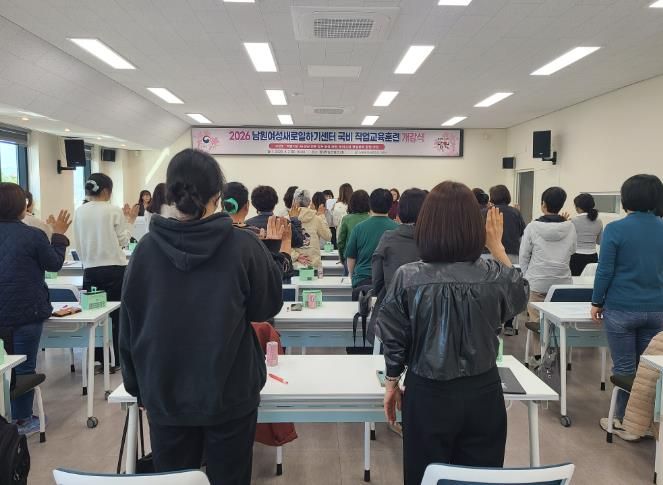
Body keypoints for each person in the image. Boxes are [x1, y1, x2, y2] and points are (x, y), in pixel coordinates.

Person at [120, 149, 283, 485]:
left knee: (174, 479)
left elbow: (130, 325)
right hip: (230, 389)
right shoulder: (243, 246)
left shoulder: (145, 250)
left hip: (165, 390)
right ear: (217, 197)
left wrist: (138, 387)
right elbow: (265, 308)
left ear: (170, 194)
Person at [377, 181, 528, 485]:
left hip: (427, 392)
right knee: (479, 479)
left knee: (424, 476)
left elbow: (394, 336)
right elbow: (520, 294)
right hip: (484, 392)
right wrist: (497, 247)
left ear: (427, 225)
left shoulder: (408, 277)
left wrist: (392, 381)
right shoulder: (494, 276)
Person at [592, 175, 663, 441]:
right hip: (657, 308)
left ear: (625, 198)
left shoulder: (616, 229)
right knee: (648, 371)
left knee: (624, 368)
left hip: (621, 308)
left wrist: (597, 301)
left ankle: (623, 420)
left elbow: (605, 270)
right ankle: (646, 424)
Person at [0, 183, 71, 435]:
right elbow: (54, 264)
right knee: (24, 367)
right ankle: (22, 420)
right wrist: (59, 236)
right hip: (27, 311)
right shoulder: (33, 235)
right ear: (22, 207)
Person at [74, 173, 138, 370]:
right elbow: (123, 241)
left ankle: (97, 357)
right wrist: (130, 220)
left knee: (94, 315)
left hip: (90, 269)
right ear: (105, 191)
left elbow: (78, 241)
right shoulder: (113, 210)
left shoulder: (79, 211)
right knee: (117, 316)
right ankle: (116, 359)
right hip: (114, 269)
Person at [369, 188, 427, 342]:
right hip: (426, 316)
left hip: (393, 316)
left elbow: (377, 279)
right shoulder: (433, 240)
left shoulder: (388, 237)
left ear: (399, 211)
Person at [519, 187, 576, 328]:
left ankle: (540, 343)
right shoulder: (570, 227)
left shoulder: (532, 227)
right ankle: (557, 343)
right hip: (562, 283)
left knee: (538, 325)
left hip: (537, 282)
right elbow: (573, 250)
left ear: (543, 204)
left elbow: (524, 255)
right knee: (559, 326)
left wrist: (527, 277)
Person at [488, 185, 526, 336]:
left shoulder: (489, 212)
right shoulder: (516, 213)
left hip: (491, 254)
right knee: (511, 288)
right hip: (512, 255)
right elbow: (522, 232)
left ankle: (494, 322)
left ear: (492, 197)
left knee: (492, 290)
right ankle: (509, 325)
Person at [345, 189, 398, 288]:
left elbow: (351, 256)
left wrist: (352, 276)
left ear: (370, 204)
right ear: (390, 205)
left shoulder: (359, 228)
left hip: (362, 280)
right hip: (389, 282)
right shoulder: (397, 228)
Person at [245, 185, 303, 252]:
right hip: (281, 258)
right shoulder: (284, 223)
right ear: (275, 202)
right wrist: (295, 219)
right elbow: (299, 242)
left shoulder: (246, 225)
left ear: (253, 204)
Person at [290, 189, 331, 270]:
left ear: (294, 202)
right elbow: (328, 236)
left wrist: (296, 256)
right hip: (314, 265)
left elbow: (282, 244)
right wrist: (322, 216)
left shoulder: (287, 219)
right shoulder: (317, 218)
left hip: (294, 265)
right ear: (309, 202)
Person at [337, 190, 370, 274]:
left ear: (352, 203)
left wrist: (342, 257)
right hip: (368, 259)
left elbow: (341, 241)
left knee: (348, 279)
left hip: (350, 257)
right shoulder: (371, 218)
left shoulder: (346, 219)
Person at [570, 193, 603, 276]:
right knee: (590, 282)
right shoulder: (599, 221)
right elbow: (599, 241)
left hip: (576, 257)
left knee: (575, 281)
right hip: (593, 257)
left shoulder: (573, 221)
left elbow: (569, 241)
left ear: (578, 207)